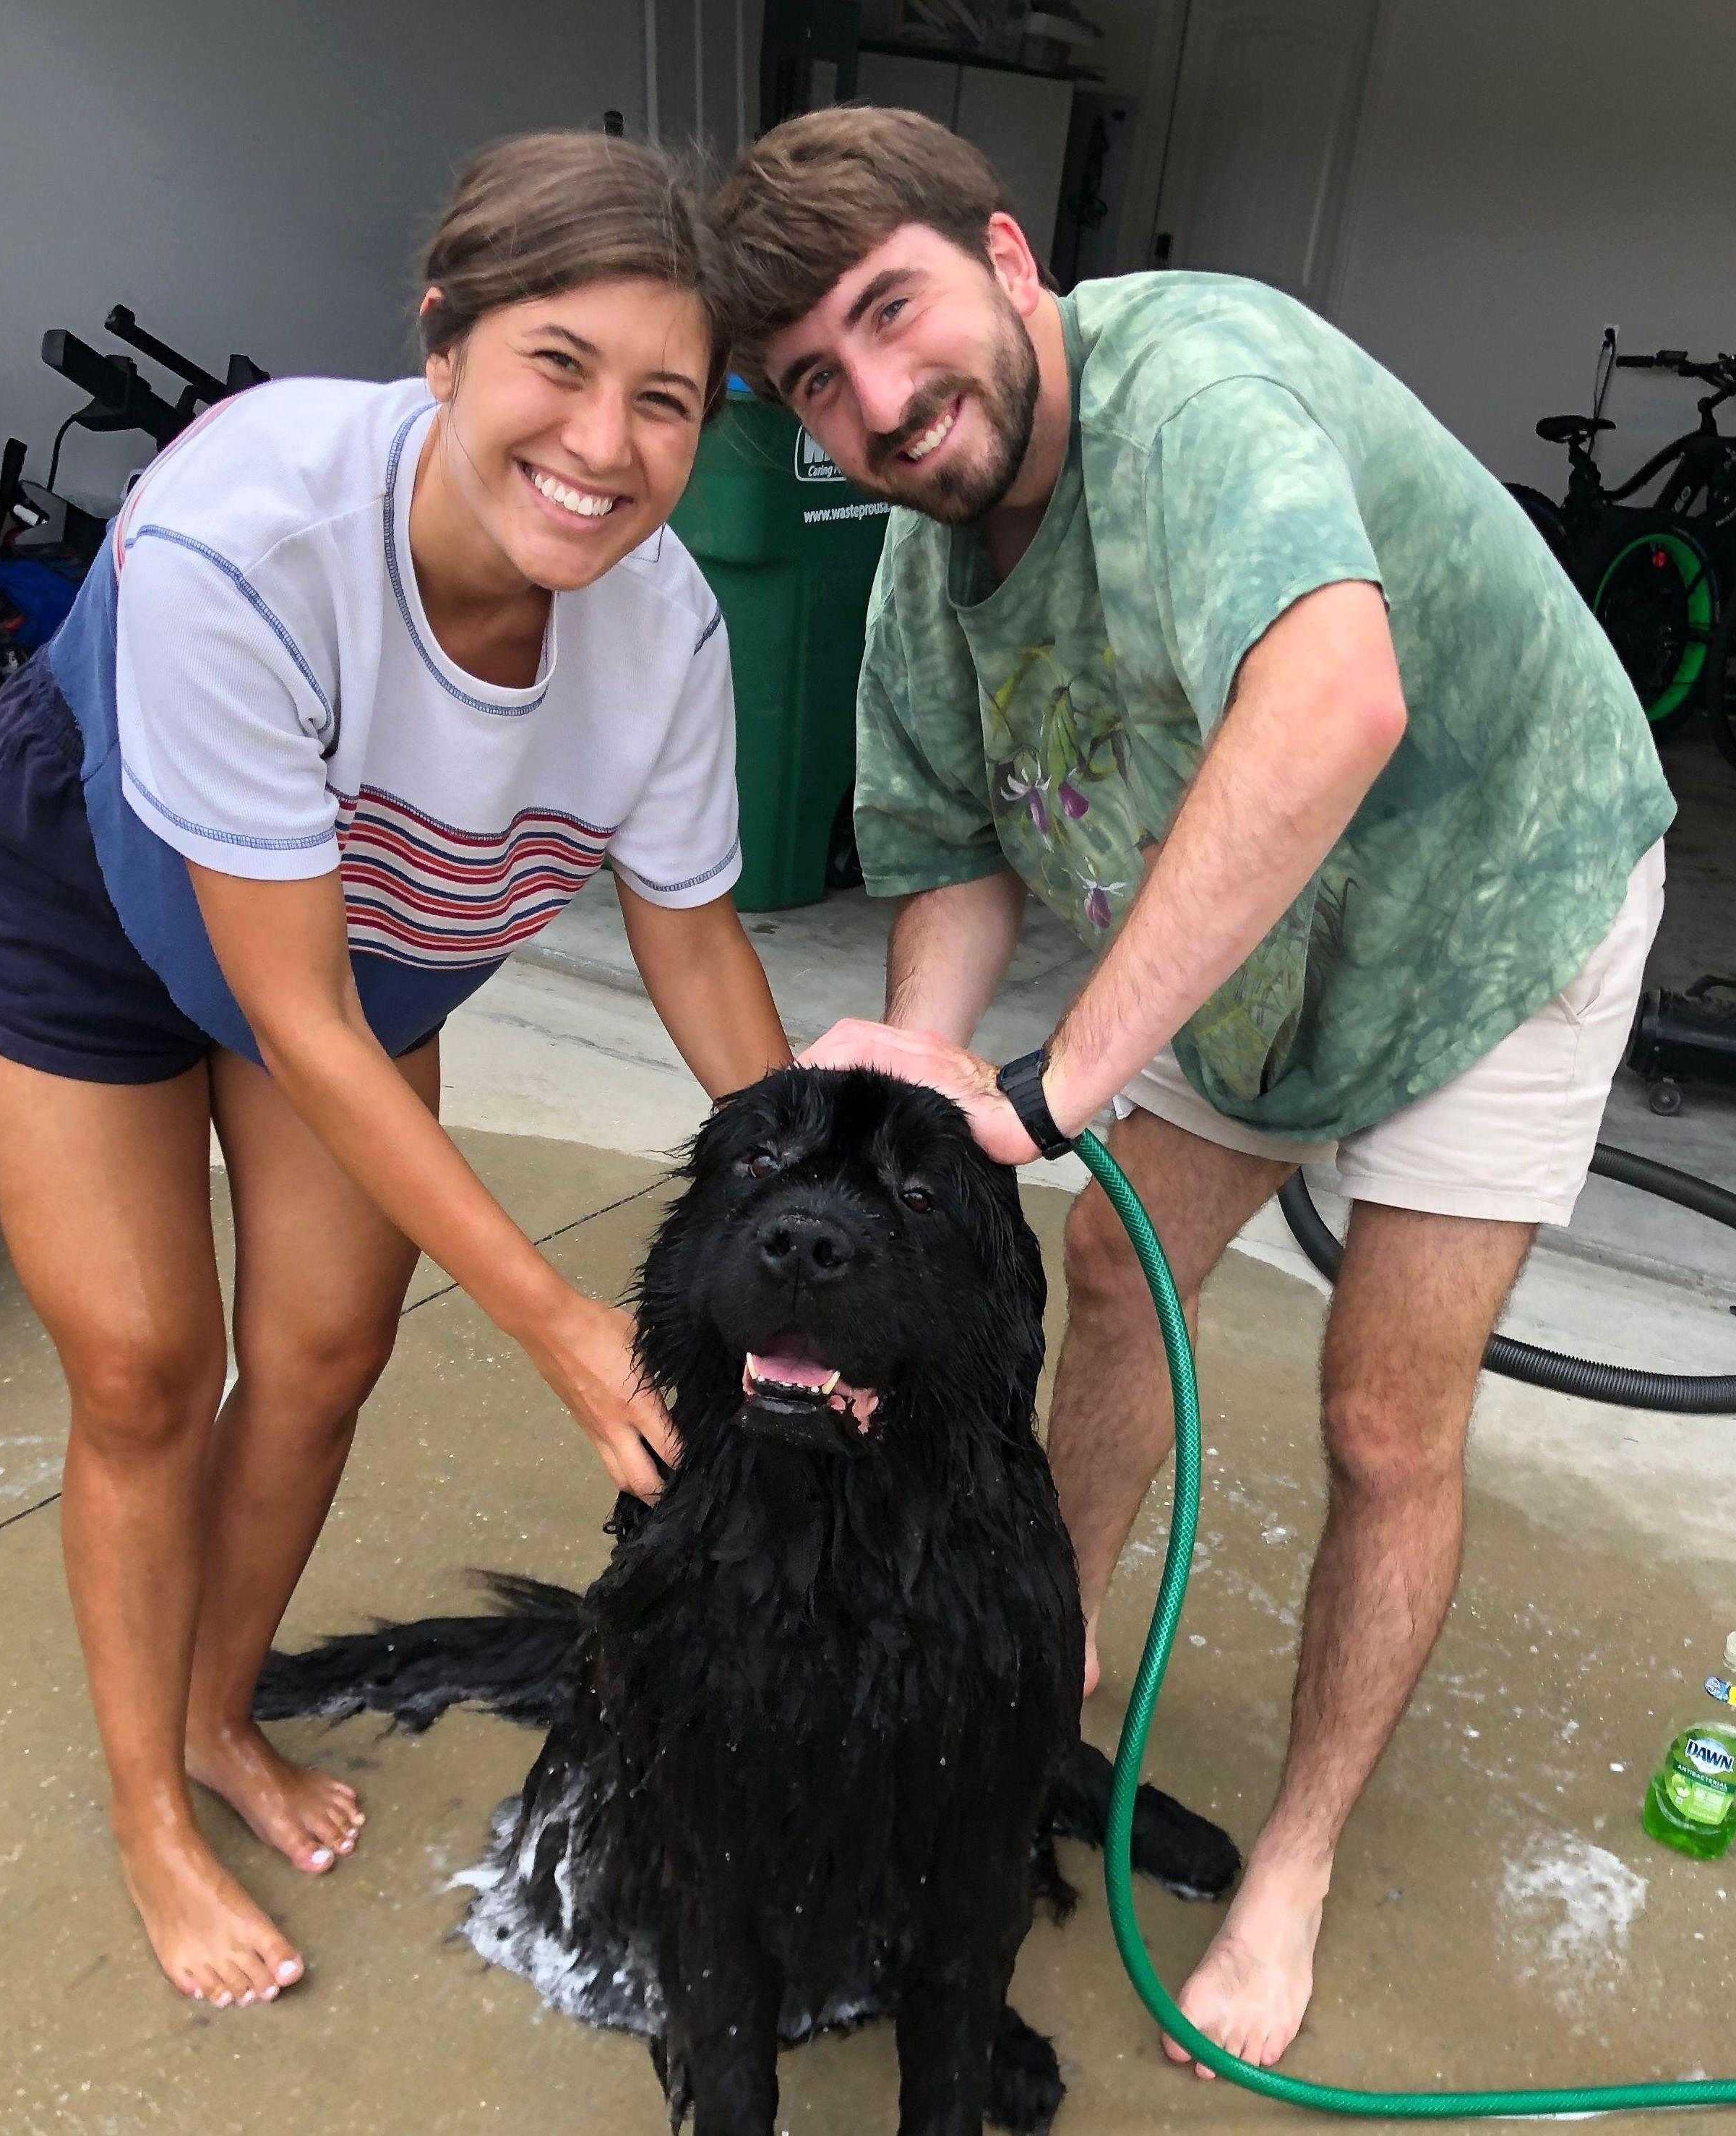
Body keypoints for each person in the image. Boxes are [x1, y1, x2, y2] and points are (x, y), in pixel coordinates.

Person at [708, 108, 1672, 2072]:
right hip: (1244, 931)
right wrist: (916, 1067)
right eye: (817, 378)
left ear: (999, 251)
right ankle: (1029, 1669)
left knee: (1382, 1422)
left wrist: (1061, 1071)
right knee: (1111, 1268)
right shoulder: (919, 563)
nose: (881, 401)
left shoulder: (1188, 393)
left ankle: (1296, 1863)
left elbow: (1333, 705)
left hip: (1491, 907)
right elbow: (955, 862)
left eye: (894, 313)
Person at [0, 132, 788, 2011]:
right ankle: (151, 1801)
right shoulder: (247, 534)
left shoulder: (666, 634)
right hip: (103, 888)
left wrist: (816, 1184)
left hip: (366, 922)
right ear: (447, 339)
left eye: (665, 400)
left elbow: (697, 937)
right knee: (151, 1368)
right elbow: (290, 1022)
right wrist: (561, 1319)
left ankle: (219, 1709)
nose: (605, 443)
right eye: (557, 362)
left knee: (319, 1346)